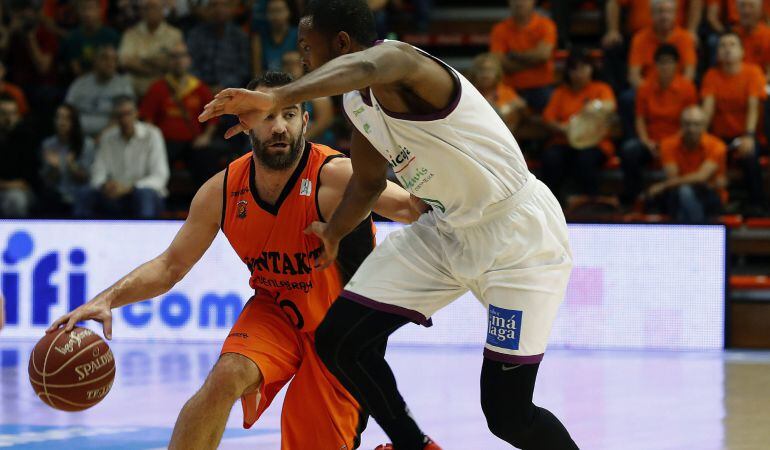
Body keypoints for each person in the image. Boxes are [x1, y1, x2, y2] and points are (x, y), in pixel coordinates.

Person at [199, 1, 579, 448]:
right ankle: (414, 445)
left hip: (519, 237)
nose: (301, 58)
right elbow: (366, 183)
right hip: (446, 232)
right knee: (339, 341)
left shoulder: (402, 61)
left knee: (507, 414)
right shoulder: (357, 103)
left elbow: (369, 64)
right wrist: (335, 231)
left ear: (340, 43)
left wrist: (279, 96)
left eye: (306, 46)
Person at [49, 71, 424, 450]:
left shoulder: (335, 176)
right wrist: (105, 299)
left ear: (306, 122)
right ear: (246, 123)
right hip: (275, 311)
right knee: (225, 376)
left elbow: (412, 209)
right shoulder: (223, 190)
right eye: (267, 115)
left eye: (289, 114)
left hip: (340, 332)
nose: (279, 127)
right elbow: (169, 267)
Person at [619, 44, 698, 205]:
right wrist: (646, 142)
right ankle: (635, 198)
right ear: (655, 65)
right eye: (661, 62)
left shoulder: (687, 88)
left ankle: (670, 204)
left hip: (677, 142)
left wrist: (668, 144)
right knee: (629, 150)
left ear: (677, 65)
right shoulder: (644, 88)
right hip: (651, 142)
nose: (665, 67)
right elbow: (640, 119)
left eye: (669, 62)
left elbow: (689, 121)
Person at [701, 32, 766, 211]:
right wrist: (702, 137)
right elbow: (707, 109)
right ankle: (716, 206)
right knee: (708, 151)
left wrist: (749, 135)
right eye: (723, 45)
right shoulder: (712, 75)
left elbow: (754, 106)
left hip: (747, 134)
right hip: (721, 137)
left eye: (732, 45)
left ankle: (757, 205)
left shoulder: (753, 72)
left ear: (742, 51)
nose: (727, 49)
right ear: (717, 53)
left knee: (749, 154)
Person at [140, 41, 218, 188]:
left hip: (193, 142)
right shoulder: (158, 87)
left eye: (182, 56)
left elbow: (213, 117)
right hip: (165, 142)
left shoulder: (199, 88)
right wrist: (154, 142)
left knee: (207, 158)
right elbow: (147, 119)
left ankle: (206, 204)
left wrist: (206, 136)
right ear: (169, 61)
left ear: (189, 60)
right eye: (174, 57)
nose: (178, 60)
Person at [75, 96, 169, 218]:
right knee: (85, 193)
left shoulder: (152, 134)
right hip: (114, 195)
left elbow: (160, 177)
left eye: (128, 113)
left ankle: (145, 235)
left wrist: (129, 188)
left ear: (136, 113)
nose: (125, 119)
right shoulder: (108, 138)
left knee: (144, 194)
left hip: (143, 194)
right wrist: (105, 185)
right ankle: (81, 235)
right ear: (115, 118)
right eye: (120, 115)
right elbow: (97, 173)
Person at [541, 49, 616, 200]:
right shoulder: (560, 93)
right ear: (568, 72)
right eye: (574, 69)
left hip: (595, 143)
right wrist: (565, 128)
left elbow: (610, 106)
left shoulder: (601, 89)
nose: (579, 73)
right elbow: (548, 119)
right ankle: (554, 202)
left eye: (583, 68)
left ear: (591, 69)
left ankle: (592, 202)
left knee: (586, 160)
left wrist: (595, 106)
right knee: (551, 157)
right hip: (566, 141)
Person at [647, 106, 727, 222]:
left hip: (710, 195)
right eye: (687, 124)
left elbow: (701, 177)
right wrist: (690, 179)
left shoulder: (717, 146)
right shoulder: (667, 144)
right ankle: (696, 231)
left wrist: (663, 185)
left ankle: (690, 231)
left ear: (704, 126)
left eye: (696, 124)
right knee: (682, 192)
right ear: (681, 125)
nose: (691, 129)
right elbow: (673, 177)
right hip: (676, 192)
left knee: (684, 192)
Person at [489, 0, 557, 112]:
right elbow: (499, 62)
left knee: (551, 108)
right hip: (510, 87)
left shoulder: (546, 25)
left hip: (541, 87)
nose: (519, 3)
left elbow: (543, 55)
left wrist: (515, 55)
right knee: (497, 110)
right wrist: (534, 61)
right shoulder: (499, 29)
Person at [65, 44, 135, 138]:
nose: (110, 63)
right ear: (95, 60)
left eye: (114, 60)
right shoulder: (80, 84)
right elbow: (67, 112)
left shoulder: (123, 86)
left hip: (110, 138)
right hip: (78, 138)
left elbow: (123, 117)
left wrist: (102, 137)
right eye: (105, 58)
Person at [118, 0, 185, 96]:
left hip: (165, 86)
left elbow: (173, 62)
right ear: (141, 11)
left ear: (162, 10)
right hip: (135, 86)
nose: (150, 11)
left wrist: (142, 60)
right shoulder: (131, 34)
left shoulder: (175, 34)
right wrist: (155, 66)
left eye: (154, 7)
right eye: (146, 8)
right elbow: (125, 61)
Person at [39, 104, 96, 215]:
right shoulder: (48, 145)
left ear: (74, 122)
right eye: (59, 117)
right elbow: (48, 182)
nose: (62, 122)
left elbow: (86, 179)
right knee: (48, 195)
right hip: (57, 193)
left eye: (66, 118)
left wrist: (71, 166)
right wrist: (55, 168)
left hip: (78, 192)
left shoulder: (87, 144)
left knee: (85, 193)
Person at [186, 0, 251, 91]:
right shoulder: (196, 35)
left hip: (231, 91)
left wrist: (224, 86)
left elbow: (243, 70)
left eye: (224, 5)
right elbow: (190, 65)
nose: (218, 9)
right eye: (213, 5)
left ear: (231, 9)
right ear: (207, 9)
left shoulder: (240, 36)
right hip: (200, 91)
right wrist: (204, 88)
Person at [281, 50, 336, 146]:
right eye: (286, 64)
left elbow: (324, 121)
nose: (290, 68)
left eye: (294, 64)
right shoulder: (279, 92)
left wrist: (300, 141)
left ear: (303, 66)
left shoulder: (315, 89)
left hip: (318, 142)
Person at [467, 53, 527, 132]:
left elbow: (521, 104)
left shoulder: (505, 91)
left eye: (490, 70)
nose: (485, 74)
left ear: (497, 73)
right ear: (474, 73)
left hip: (501, 133)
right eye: (481, 70)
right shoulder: (469, 91)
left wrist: (507, 107)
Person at [0, 95, 38, 217]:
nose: (8, 118)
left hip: (20, 191)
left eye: (12, 114)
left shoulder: (26, 139)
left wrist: (6, 185)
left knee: (15, 199)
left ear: (18, 116)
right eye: (3, 113)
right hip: (7, 187)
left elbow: (26, 182)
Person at [61, 0, 120, 76]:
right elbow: (76, 69)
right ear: (78, 12)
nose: (87, 13)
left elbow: (116, 65)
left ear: (99, 10)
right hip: (83, 83)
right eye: (83, 9)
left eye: (91, 8)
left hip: (109, 80)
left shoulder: (112, 36)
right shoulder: (73, 37)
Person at [251, 0, 298, 74]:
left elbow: (304, 67)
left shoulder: (298, 35)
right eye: (271, 11)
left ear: (289, 12)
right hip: (268, 82)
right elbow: (256, 73)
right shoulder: (259, 38)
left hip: (293, 81)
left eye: (279, 11)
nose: (275, 16)